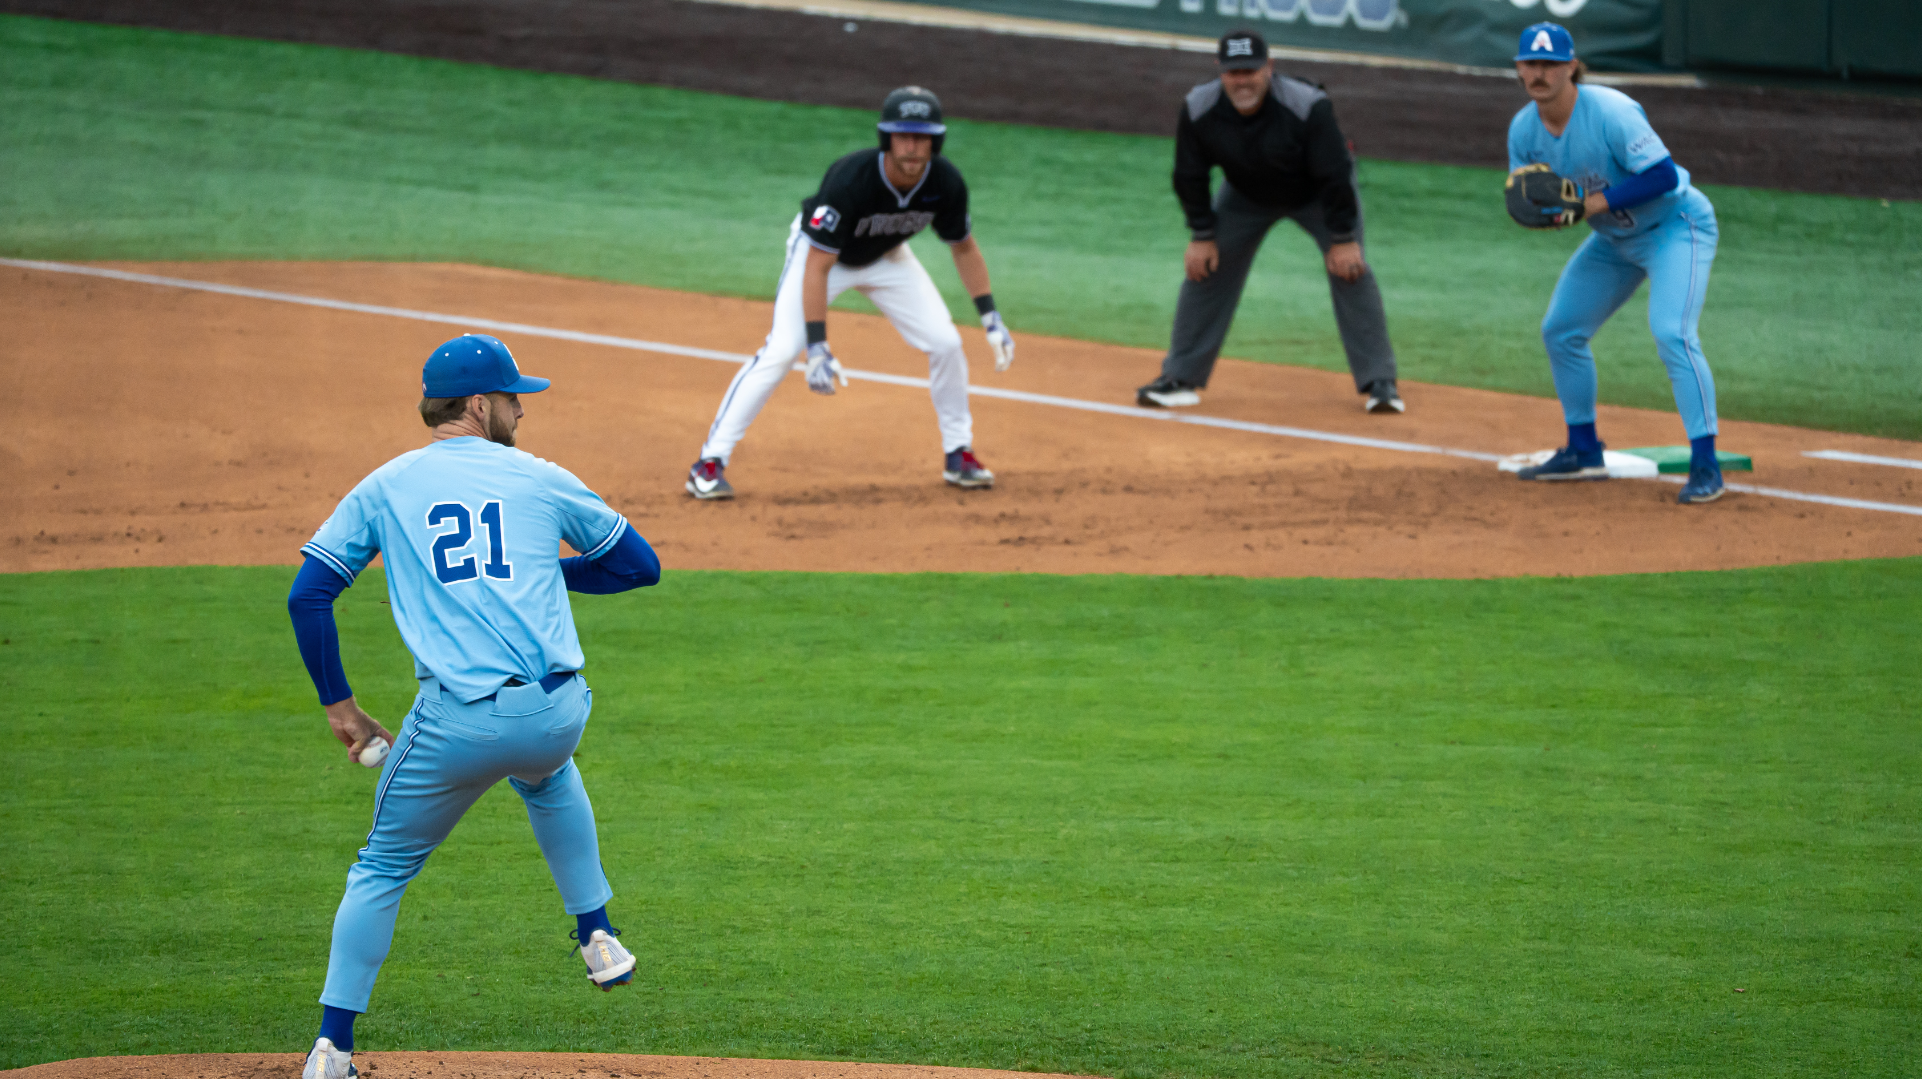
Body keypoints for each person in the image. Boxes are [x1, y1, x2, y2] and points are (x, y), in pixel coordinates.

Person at [289, 334, 663, 1079]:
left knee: (384, 866)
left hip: (456, 726)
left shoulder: (385, 485)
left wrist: (343, 708)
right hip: (557, 717)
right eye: (516, 398)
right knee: (548, 772)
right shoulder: (541, 478)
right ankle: (597, 932)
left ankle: (333, 1048)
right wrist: (544, 574)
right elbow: (639, 565)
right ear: (482, 404)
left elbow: (310, 593)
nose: (522, 412)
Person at [685, 86, 1016, 500]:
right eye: (904, 136)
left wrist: (990, 316)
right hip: (823, 257)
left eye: (923, 137)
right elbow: (818, 266)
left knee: (946, 342)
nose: (913, 148)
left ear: (936, 140)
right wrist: (818, 346)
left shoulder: (945, 182)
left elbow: (964, 247)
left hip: (888, 259)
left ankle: (959, 454)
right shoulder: (851, 178)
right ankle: (709, 463)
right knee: (784, 349)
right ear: (887, 139)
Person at [1507, 22, 1725, 503]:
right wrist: (1549, 215)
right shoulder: (1523, 131)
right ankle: (1583, 449)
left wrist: (1592, 204)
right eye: (1531, 64)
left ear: (1571, 67)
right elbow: (1532, 199)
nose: (1540, 73)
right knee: (1561, 329)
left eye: (1550, 64)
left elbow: (1664, 176)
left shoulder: (1611, 111)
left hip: (1676, 228)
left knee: (1673, 333)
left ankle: (1706, 464)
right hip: (1615, 242)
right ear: (1519, 69)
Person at [1137, 28, 1403, 415]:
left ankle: (1381, 383)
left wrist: (1343, 237)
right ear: (1219, 71)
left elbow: (1335, 173)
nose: (1242, 80)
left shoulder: (1307, 105)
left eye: (1250, 70)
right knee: (1205, 269)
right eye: (1233, 72)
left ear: (1269, 68)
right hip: (1246, 196)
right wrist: (1202, 234)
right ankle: (1179, 378)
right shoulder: (1199, 108)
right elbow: (1188, 174)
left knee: (1350, 270)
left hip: (1317, 195)